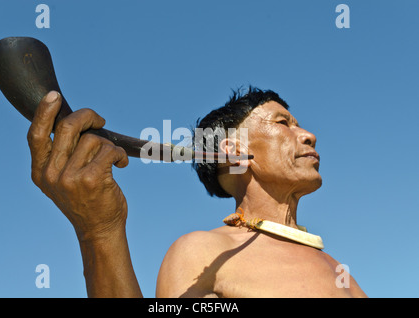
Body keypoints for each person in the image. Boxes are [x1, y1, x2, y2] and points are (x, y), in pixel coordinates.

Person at [26, 87, 367, 298]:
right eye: (283, 123)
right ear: (235, 152)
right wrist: (99, 232)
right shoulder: (204, 254)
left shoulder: (338, 269)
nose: (309, 135)